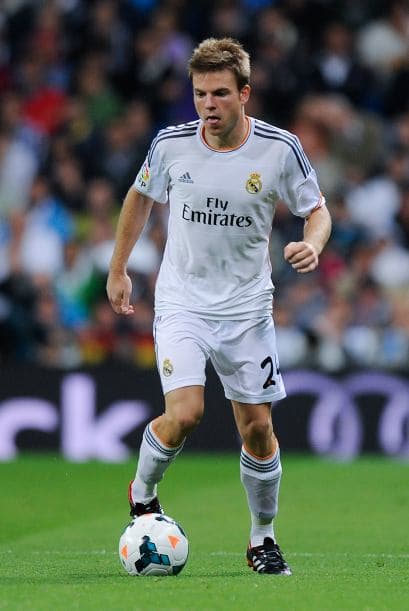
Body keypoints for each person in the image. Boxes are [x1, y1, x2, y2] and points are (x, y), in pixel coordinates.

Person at [106, 37, 331, 575]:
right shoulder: (171, 145)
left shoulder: (279, 149)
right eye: (200, 94)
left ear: (244, 94)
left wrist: (313, 244)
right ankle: (143, 493)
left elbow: (317, 210)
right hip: (182, 302)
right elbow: (140, 196)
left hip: (247, 310)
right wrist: (118, 268)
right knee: (185, 414)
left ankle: (262, 539)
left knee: (258, 430)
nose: (208, 105)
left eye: (220, 94)